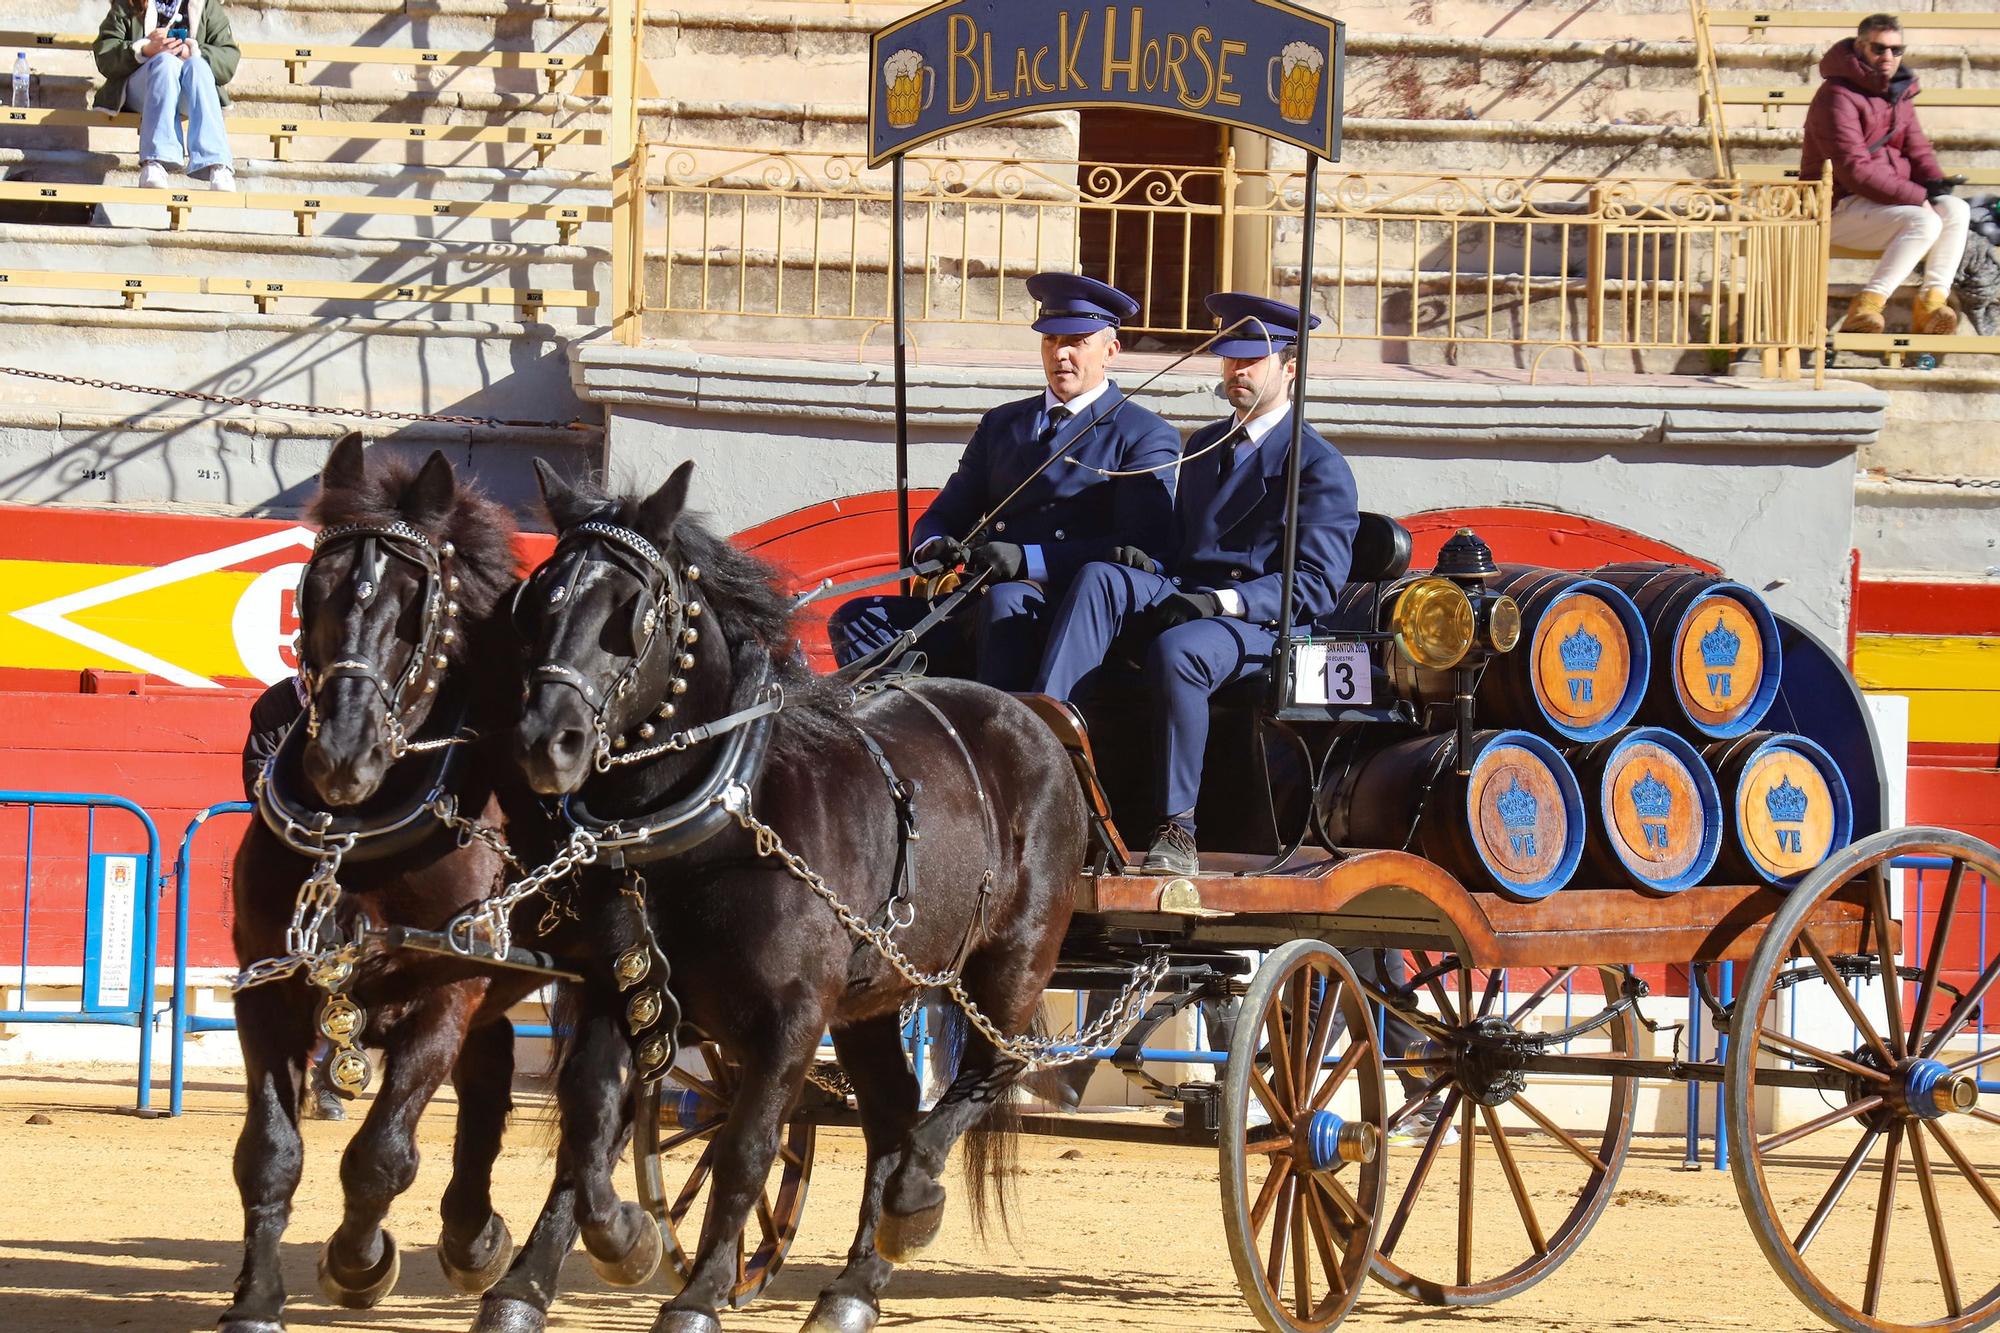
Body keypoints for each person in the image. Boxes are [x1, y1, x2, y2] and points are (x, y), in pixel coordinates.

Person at [1032, 292, 1358, 877]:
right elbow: (1183, 552)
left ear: (1290, 368)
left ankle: (1176, 827)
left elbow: (1316, 585)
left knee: (1178, 651)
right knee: (1103, 579)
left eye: (1250, 361)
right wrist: (1146, 566)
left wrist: (1219, 600)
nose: (1236, 372)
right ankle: (1046, 749)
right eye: (1230, 359)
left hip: (1266, 624)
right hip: (1192, 595)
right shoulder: (1205, 447)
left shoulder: (1316, 465)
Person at [827, 272, 1182, 690]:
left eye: (1076, 342)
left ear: (1110, 351)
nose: (1061, 354)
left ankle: (999, 744)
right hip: (973, 599)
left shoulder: (1142, 433)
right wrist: (934, 542)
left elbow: (1140, 545)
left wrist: (1028, 559)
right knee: (856, 619)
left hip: (1056, 614)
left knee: (1006, 600)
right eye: (1051, 340)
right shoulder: (1003, 422)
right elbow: (949, 508)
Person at [1802, 12, 1970, 335]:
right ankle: (1866, 306)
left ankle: (1932, 304)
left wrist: (1936, 187)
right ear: (1860, 47)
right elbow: (1854, 171)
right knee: (1924, 219)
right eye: (1879, 49)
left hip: (1884, 204)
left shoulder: (1900, 90)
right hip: (1836, 205)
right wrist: (1918, 197)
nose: (1888, 57)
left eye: (1896, 50)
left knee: (1956, 209)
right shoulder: (1836, 96)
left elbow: (1917, 148)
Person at [93, 0, 240, 192]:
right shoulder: (129, 3)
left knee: (198, 66)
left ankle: (218, 164)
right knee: (165, 62)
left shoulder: (205, 4)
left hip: (189, 90)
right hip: (144, 89)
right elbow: (105, 54)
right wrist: (145, 49)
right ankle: (155, 162)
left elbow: (228, 58)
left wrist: (191, 51)